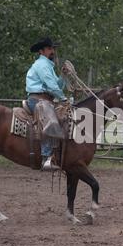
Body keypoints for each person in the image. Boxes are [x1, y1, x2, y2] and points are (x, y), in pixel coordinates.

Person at [26, 37, 70, 171]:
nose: (53, 51)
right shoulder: (42, 65)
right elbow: (52, 87)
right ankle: (46, 158)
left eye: (53, 49)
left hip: (45, 99)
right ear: (41, 51)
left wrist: (63, 76)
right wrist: (63, 99)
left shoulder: (47, 66)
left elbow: (57, 85)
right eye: (50, 49)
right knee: (51, 121)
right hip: (38, 100)